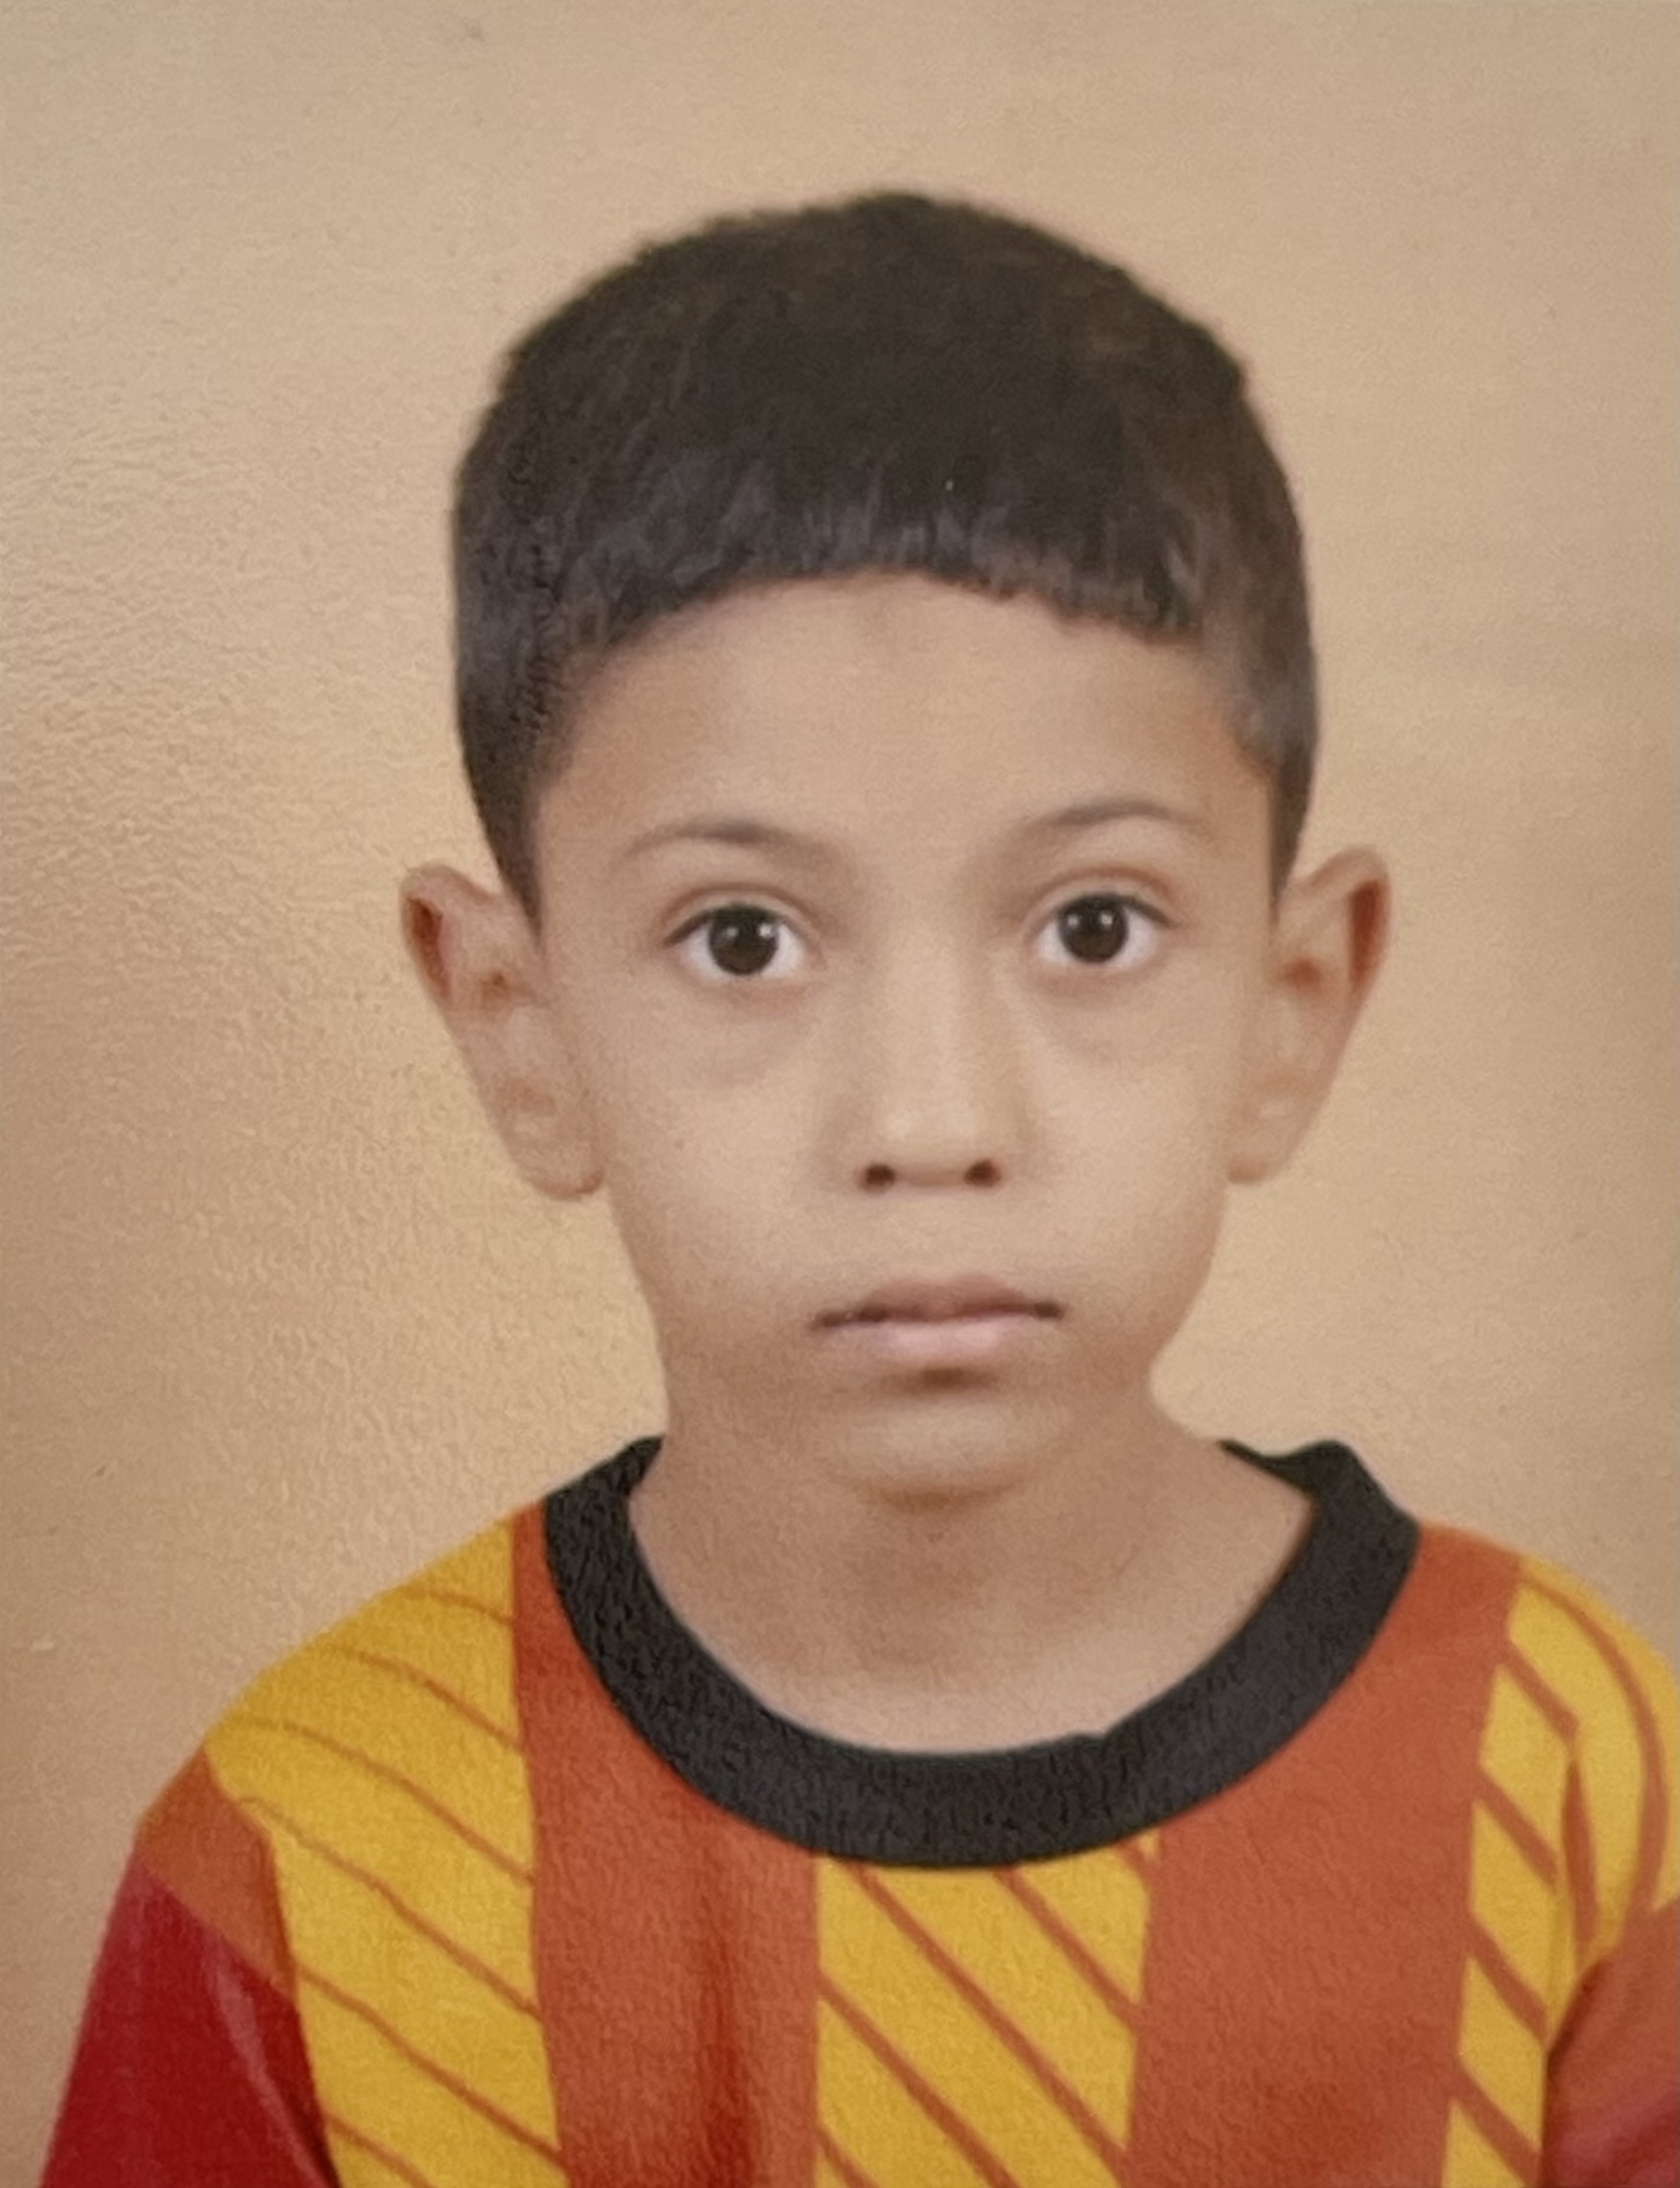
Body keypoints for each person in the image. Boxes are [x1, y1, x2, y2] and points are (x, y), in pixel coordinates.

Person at [41, 192, 1676, 2188]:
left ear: (1293, 1003)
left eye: (1091, 925)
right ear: (518, 1027)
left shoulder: (1578, 1787)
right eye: (744, 938)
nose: (928, 1119)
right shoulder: (305, 1865)